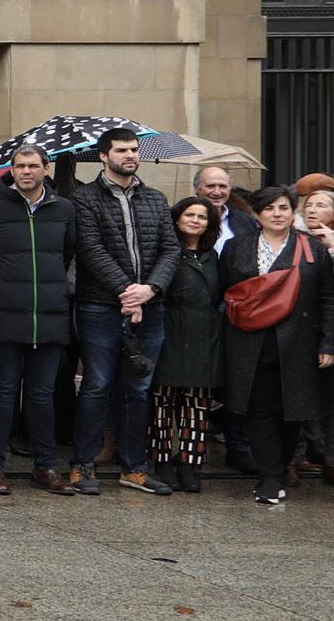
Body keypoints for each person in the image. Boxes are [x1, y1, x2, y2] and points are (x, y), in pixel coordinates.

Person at [0, 144, 78, 497]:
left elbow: (65, 253)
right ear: (11, 169)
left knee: (43, 395)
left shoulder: (64, 210)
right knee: (4, 393)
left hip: (49, 315)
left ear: (46, 168)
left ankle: (46, 466)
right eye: (20, 166)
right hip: (4, 315)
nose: (26, 171)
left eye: (33, 166)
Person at [69, 127, 181, 497]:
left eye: (134, 150)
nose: (130, 155)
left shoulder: (155, 198)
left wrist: (150, 290)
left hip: (149, 307)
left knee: (139, 388)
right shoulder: (84, 199)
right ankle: (82, 464)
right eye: (121, 150)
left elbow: (170, 249)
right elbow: (91, 249)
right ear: (103, 156)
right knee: (97, 385)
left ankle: (134, 467)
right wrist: (126, 291)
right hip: (100, 306)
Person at [219, 186, 334, 504]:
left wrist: (328, 343)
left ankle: (281, 467)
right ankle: (270, 476)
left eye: (283, 207)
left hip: (299, 342)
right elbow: (226, 294)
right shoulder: (236, 247)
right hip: (249, 342)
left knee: (293, 411)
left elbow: (327, 299)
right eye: (269, 208)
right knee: (261, 410)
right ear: (256, 214)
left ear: (292, 211)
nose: (277, 213)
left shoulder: (312, 249)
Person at [150, 196, 223, 494]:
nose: (195, 220)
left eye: (202, 217)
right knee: (162, 401)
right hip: (169, 331)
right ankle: (162, 460)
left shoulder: (214, 257)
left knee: (197, 403)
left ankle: (190, 463)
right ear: (177, 219)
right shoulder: (166, 253)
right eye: (189, 215)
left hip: (204, 336)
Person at [195, 166, 257, 256]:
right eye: (210, 186)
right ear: (197, 188)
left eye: (222, 186)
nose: (217, 192)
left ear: (229, 189)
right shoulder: (184, 220)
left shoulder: (245, 220)